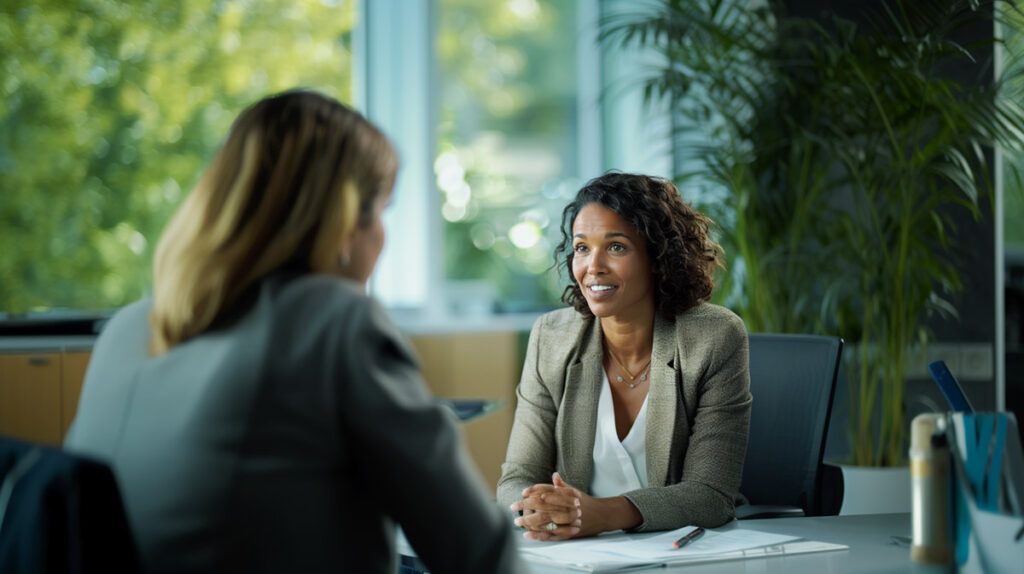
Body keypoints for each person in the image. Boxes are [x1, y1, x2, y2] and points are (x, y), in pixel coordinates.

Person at [64, 90, 519, 573]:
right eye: (382, 209)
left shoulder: (129, 328)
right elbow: (478, 552)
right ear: (347, 220)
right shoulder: (334, 323)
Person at [497, 172, 752, 540]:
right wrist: (537, 510)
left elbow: (710, 495)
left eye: (616, 247)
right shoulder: (551, 338)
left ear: (658, 257)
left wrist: (600, 514)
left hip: (682, 549)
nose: (593, 266)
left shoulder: (712, 337)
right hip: (579, 554)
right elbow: (517, 477)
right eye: (582, 248)